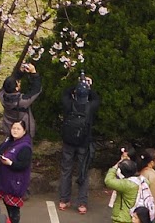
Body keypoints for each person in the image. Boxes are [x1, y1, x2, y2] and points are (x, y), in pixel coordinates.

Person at [58, 73, 100, 214]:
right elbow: (96, 98)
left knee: (66, 170)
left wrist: (76, 85)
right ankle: (82, 203)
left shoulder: (69, 104)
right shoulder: (90, 107)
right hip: (84, 143)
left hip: (68, 142)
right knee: (83, 172)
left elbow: (65, 93)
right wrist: (88, 86)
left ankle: (64, 200)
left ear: (75, 93)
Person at [0, 120, 34, 223]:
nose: (15, 131)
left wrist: (10, 163)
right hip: (3, 181)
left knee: (13, 211)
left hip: (14, 184)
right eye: (13, 128)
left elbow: (23, 165)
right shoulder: (8, 141)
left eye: (18, 129)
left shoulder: (25, 147)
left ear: (24, 131)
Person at [0, 62, 42, 137]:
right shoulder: (23, 101)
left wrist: (20, 72)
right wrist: (34, 73)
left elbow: (8, 84)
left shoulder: (2, 96)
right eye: (18, 83)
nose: (19, 83)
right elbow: (36, 90)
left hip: (9, 130)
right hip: (23, 132)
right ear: (16, 88)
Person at [107, 155, 144, 223]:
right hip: (134, 214)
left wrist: (115, 167)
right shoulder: (141, 180)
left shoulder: (126, 185)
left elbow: (108, 181)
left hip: (123, 217)